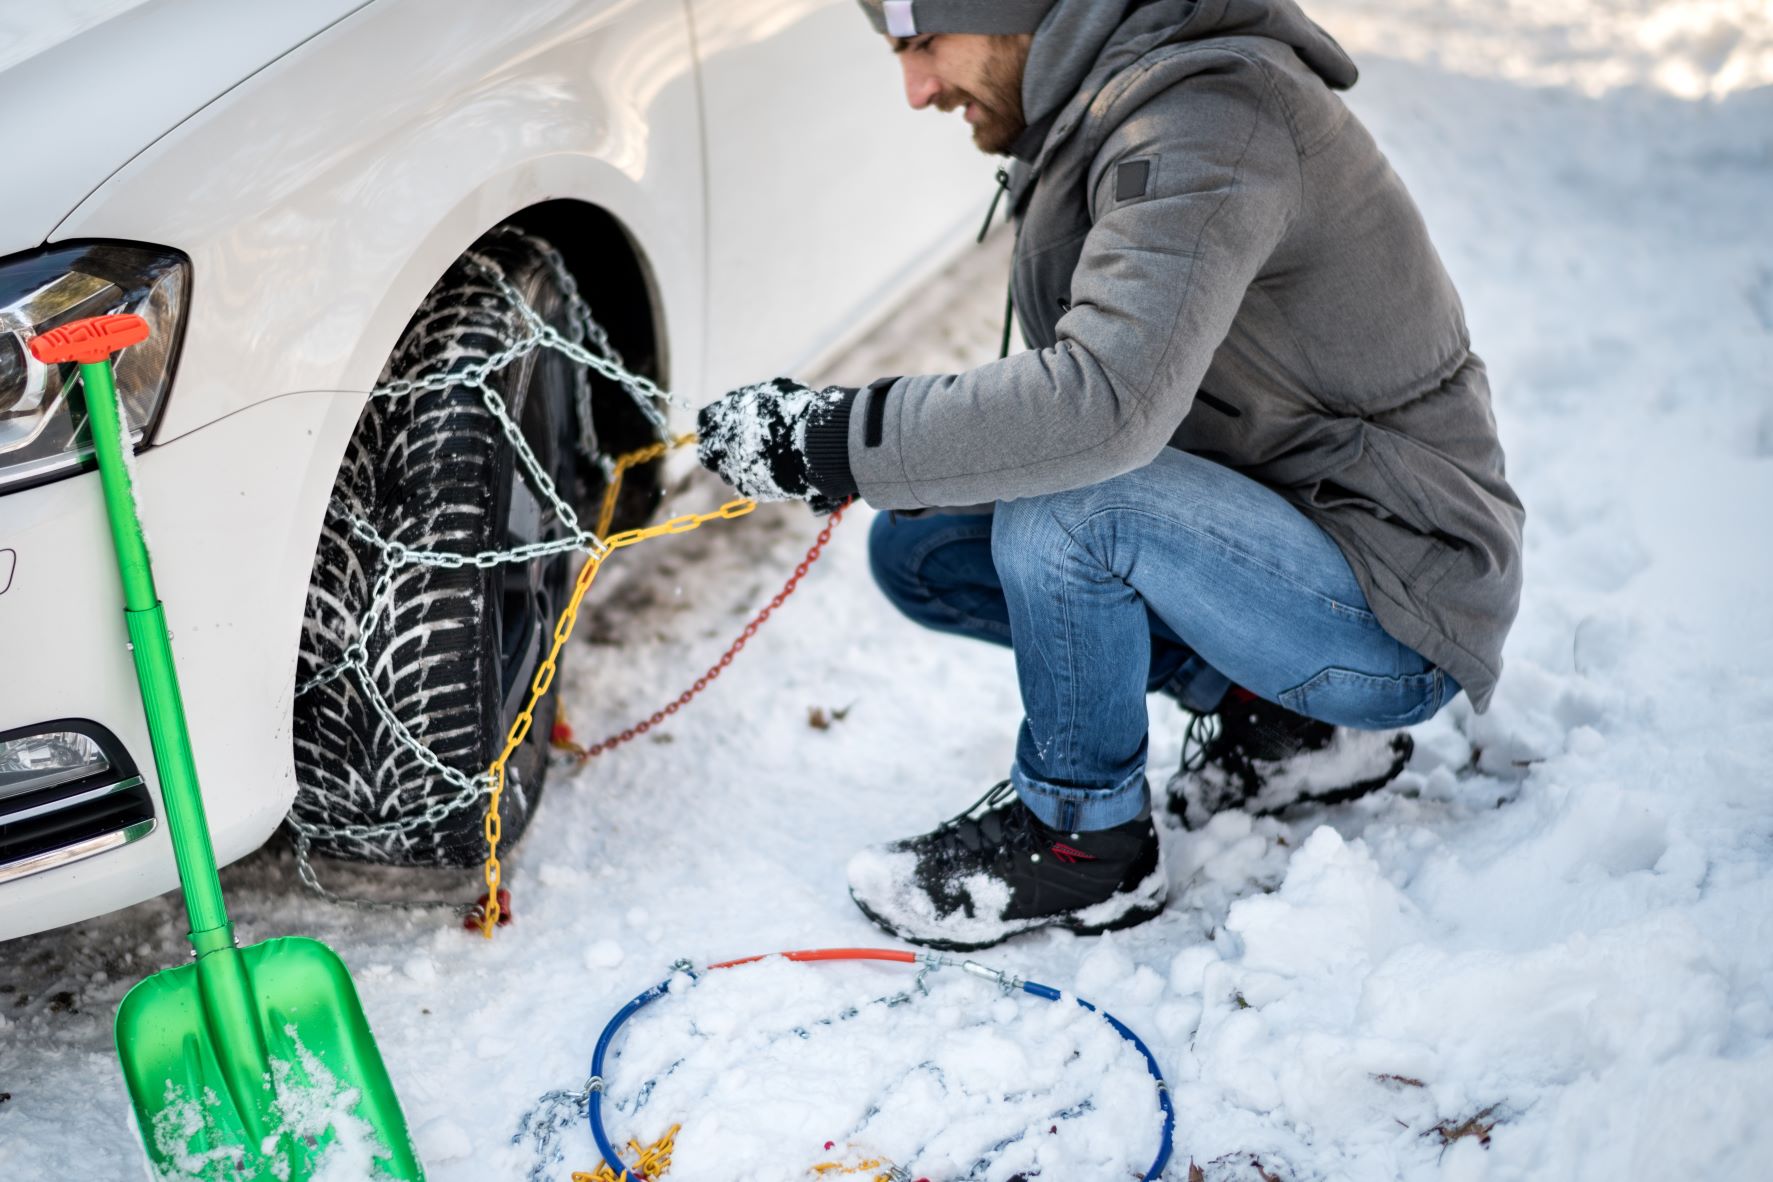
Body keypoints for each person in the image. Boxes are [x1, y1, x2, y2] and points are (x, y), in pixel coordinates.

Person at [695, 0, 1524, 951]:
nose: (916, 90)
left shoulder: (1207, 118)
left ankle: (1085, 847)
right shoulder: (1111, 108)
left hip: (1398, 595)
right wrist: (880, 452)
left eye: (923, 45)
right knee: (924, 548)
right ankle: (1283, 721)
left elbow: (1101, 407)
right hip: (1290, 536)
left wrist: (836, 436)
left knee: (1074, 503)